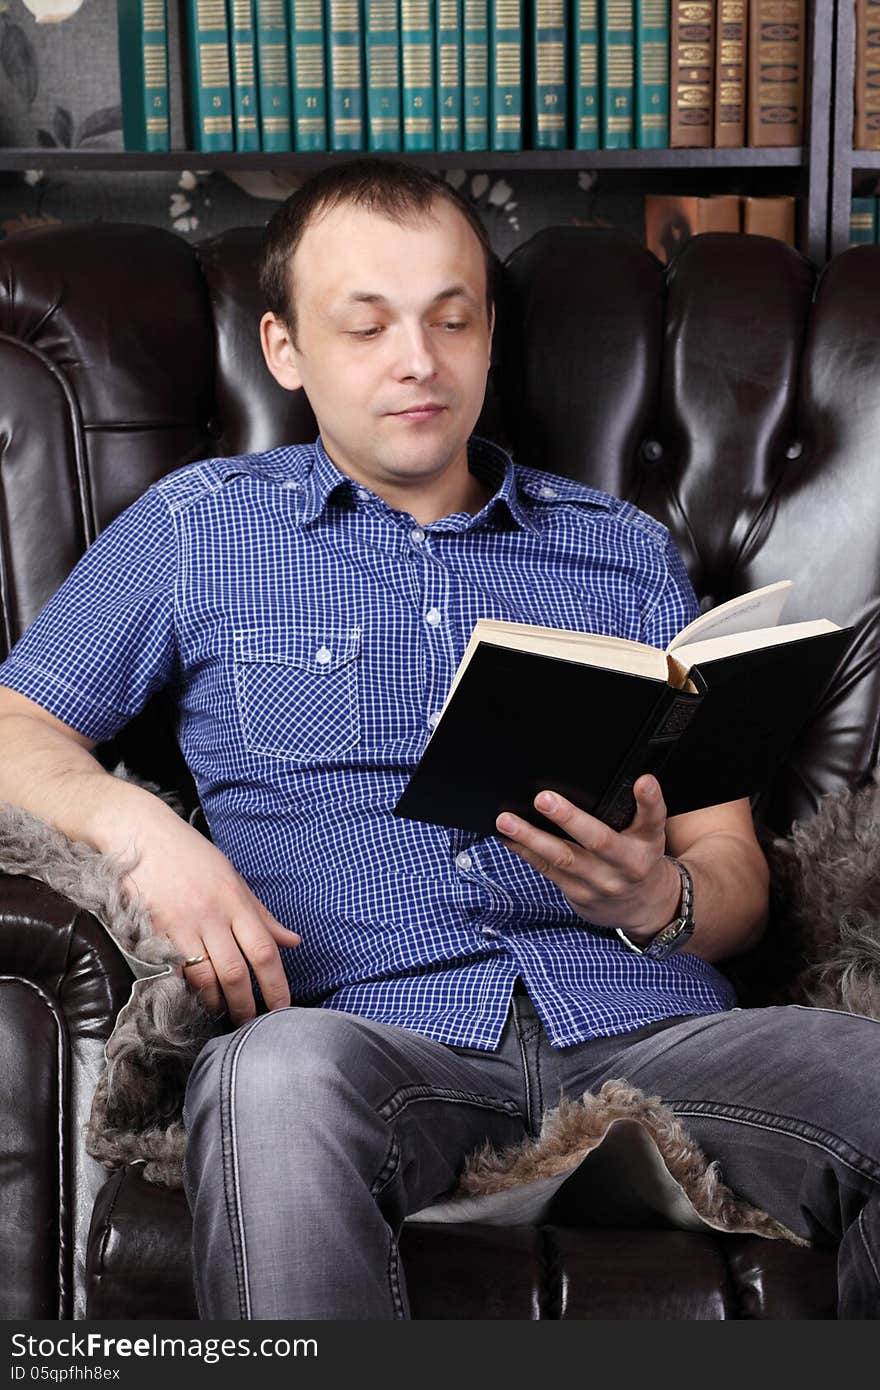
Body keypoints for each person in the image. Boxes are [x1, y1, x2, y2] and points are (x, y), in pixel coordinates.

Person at [0, 157, 877, 1321]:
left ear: (487, 336)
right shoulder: (195, 529)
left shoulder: (619, 551)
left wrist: (658, 897)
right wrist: (139, 825)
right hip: (366, 1038)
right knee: (268, 1076)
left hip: (650, 1034)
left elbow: (736, 879)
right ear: (285, 351)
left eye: (450, 320)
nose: (418, 361)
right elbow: (14, 724)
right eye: (364, 328)